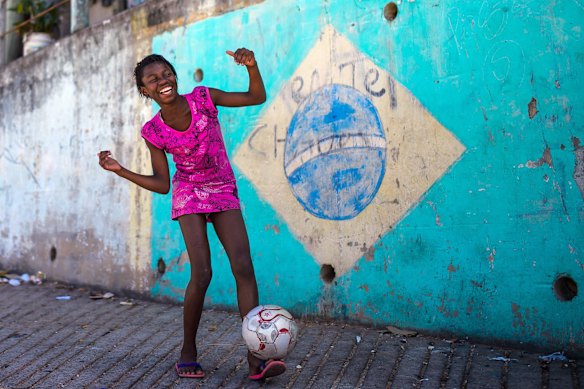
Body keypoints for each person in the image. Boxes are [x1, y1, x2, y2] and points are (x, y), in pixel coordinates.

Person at [97, 48, 286, 380]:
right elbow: (161, 183)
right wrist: (120, 170)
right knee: (202, 273)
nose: (162, 82)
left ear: (175, 76)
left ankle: (257, 358)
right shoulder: (153, 131)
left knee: (243, 265)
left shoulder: (204, 98)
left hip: (222, 187)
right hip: (189, 195)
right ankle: (188, 351)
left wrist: (252, 66)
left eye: (166, 74)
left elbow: (256, 96)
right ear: (145, 90)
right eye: (152, 80)